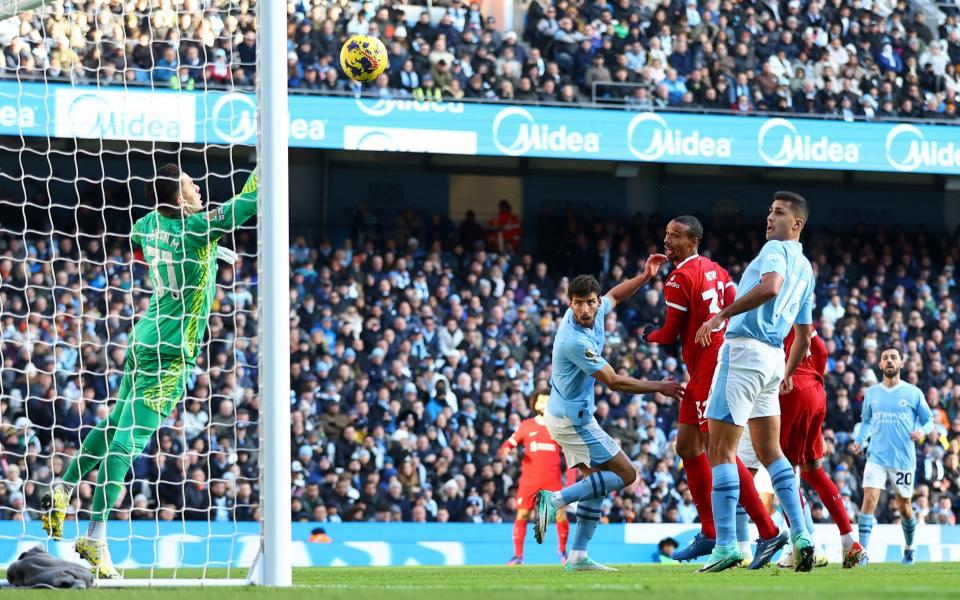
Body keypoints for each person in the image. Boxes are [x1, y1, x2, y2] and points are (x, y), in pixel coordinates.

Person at [40, 164, 260, 579]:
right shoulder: (198, 227)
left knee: (111, 428)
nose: (198, 186)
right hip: (172, 350)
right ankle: (94, 534)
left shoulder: (146, 222)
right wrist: (264, 167)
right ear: (179, 199)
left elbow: (143, 242)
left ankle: (65, 486)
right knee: (127, 443)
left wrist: (208, 254)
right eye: (190, 184)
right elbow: (249, 201)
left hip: (144, 336)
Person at [640, 216, 781, 563]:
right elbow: (735, 301)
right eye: (667, 233)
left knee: (721, 451)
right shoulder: (716, 270)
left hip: (711, 368)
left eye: (675, 236)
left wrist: (647, 333)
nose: (667, 240)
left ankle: (769, 532)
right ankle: (709, 530)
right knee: (687, 446)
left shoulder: (678, 278)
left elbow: (669, 333)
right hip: (708, 364)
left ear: (692, 242)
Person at [533, 260, 685, 572]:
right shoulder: (573, 339)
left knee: (597, 483)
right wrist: (658, 386)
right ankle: (554, 500)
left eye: (590, 302)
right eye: (577, 304)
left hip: (568, 415)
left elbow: (615, 294)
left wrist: (643, 277)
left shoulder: (599, 308)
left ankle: (577, 557)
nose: (585, 310)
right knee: (628, 474)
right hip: (571, 420)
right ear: (570, 304)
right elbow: (614, 381)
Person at [694, 191, 816, 573]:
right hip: (773, 359)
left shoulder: (775, 251)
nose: (769, 218)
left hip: (744, 351)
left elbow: (770, 286)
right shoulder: (808, 269)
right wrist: (788, 372)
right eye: (769, 211)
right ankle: (802, 536)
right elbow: (806, 334)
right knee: (771, 453)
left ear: (796, 224)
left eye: (778, 213)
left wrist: (721, 315)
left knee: (720, 449)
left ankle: (727, 545)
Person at [775, 328, 866, 569]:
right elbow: (822, 351)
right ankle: (849, 541)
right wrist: (813, 376)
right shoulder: (800, 316)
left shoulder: (770, 312)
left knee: (781, 470)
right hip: (816, 392)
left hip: (790, 391)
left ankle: (800, 545)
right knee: (812, 470)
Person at [852, 347, 934, 566]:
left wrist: (922, 432)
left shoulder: (913, 393)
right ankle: (863, 553)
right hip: (876, 457)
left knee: (904, 506)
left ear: (901, 364)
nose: (889, 361)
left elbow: (929, 420)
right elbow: (867, 421)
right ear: (880, 365)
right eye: (885, 358)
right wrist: (860, 441)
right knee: (869, 499)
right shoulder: (872, 393)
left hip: (903, 459)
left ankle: (910, 548)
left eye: (893, 358)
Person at [498, 392, 574, 565]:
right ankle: (518, 556)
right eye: (542, 401)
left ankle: (562, 552)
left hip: (552, 481)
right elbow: (508, 445)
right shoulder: (526, 426)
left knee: (561, 515)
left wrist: (570, 484)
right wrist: (505, 453)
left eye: (549, 401)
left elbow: (571, 456)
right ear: (535, 405)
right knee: (522, 514)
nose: (545, 404)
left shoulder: (559, 427)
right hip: (529, 481)